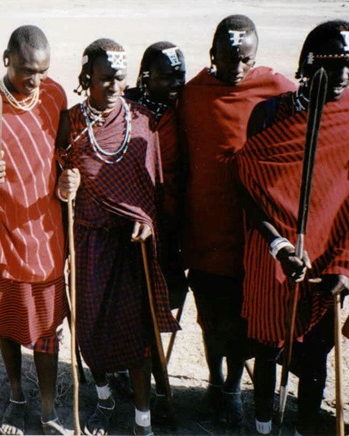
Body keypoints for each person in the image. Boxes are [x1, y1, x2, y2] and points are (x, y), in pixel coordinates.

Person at [237, 20, 349, 435]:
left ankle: (307, 425)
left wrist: (346, 268)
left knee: (315, 358)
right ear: (308, 64)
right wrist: (278, 245)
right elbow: (248, 191)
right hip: (272, 254)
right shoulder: (270, 114)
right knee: (266, 347)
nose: (345, 76)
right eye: (335, 64)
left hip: (328, 263)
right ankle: (262, 426)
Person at [57, 38, 179, 436]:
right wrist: (65, 186)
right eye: (105, 78)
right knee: (90, 331)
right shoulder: (71, 122)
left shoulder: (141, 119)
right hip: (89, 241)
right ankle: (105, 398)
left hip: (130, 246)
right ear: (86, 76)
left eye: (120, 79)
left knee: (136, 336)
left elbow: (152, 187)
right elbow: (57, 182)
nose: (113, 86)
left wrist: (146, 221)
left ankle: (143, 419)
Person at [177, 14, 294, 427]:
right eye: (229, 59)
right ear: (213, 55)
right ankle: (216, 382)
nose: (238, 68)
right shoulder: (192, 94)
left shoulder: (277, 89)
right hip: (206, 229)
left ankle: (234, 389)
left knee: (250, 319)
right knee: (211, 317)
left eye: (245, 59)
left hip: (255, 232)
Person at [0, 25, 68, 435]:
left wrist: (67, 180)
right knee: (7, 324)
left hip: (46, 234)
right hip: (1, 236)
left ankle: (49, 407)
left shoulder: (55, 96)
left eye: (41, 71)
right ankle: (17, 397)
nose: (34, 80)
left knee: (46, 328)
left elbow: (65, 155)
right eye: (25, 70)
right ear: (6, 59)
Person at [124, 41, 187, 426]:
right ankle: (145, 389)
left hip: (173, 228)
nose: (177, 82)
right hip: (132, 229)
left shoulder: (184, 109)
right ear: (146, 76)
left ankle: (156, 385)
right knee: (136, 312)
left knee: (165, 306)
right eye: (168, 76)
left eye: (180, 75)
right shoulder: (127, 106)